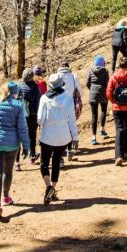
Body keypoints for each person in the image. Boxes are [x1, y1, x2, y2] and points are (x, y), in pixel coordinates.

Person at [0, 82, 30, 220]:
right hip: (12, 145)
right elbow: (22, 128)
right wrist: (26, 146)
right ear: (16, 93)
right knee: (7, 172)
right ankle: (6, 197)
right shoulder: (18, 106)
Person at [38, 73, 79, 205]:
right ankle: (53, 189)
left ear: (50, 85)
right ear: (61, 84)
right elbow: (72, 120)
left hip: (47, 136)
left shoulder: (44, 99)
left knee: (44, 162)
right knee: (56, 162)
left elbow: (40, 119)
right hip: (63, 137)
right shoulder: (68, 98)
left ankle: (48, 186)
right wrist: (75, 138)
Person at [106, 57, 127, 166]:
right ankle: (124, 151)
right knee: (126, 129)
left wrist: (114, 102)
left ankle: (118, 155)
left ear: (119, 65)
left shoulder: (113, 78)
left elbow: (108, 93)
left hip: (117, 108)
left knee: (119, 130)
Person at [57, 62, 83, 161]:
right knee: (70, 127)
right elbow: (79, 92)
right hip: (70, 104)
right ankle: (69, 150)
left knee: (60, 127)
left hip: (58, 105)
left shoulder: (56, 76)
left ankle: (60, 149)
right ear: (68, 67)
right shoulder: (73, 76)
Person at [19, 68, 41, 166]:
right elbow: (38, 101)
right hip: (33, 114)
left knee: (21, 134)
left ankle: (17, 160)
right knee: (32, 135)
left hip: (21, 114)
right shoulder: (35, 87)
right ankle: (32, 156)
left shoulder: (19, 86)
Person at [86, 55, 109, 145]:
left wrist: (92, 89)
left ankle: (93, 137)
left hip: (93, 95)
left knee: (94, 115)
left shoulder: (91, 70)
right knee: (103, 111)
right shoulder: (105, 71)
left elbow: (87, 83)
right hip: (103, 93)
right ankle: (102, 129)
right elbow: (107, 83)